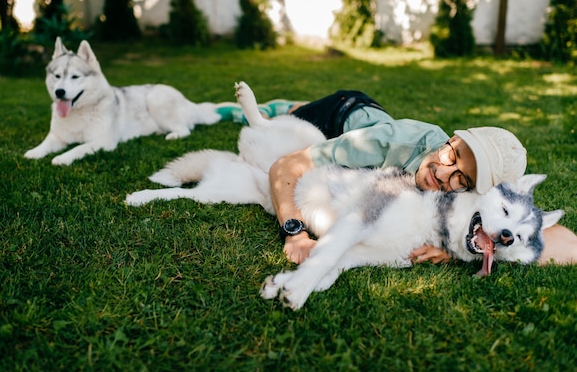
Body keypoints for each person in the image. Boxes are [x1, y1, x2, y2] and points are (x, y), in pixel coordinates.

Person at [217, 90, 577, 266]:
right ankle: (284, 107)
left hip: (377, 119)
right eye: (451, 154)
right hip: (342, 115)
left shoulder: (470, 199)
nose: (443, 173)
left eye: (461, 180)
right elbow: (285, 166)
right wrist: (293, 232)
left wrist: (456, 252)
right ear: (451, 139)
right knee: (290, 119)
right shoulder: (390, 140)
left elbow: (552, 239)